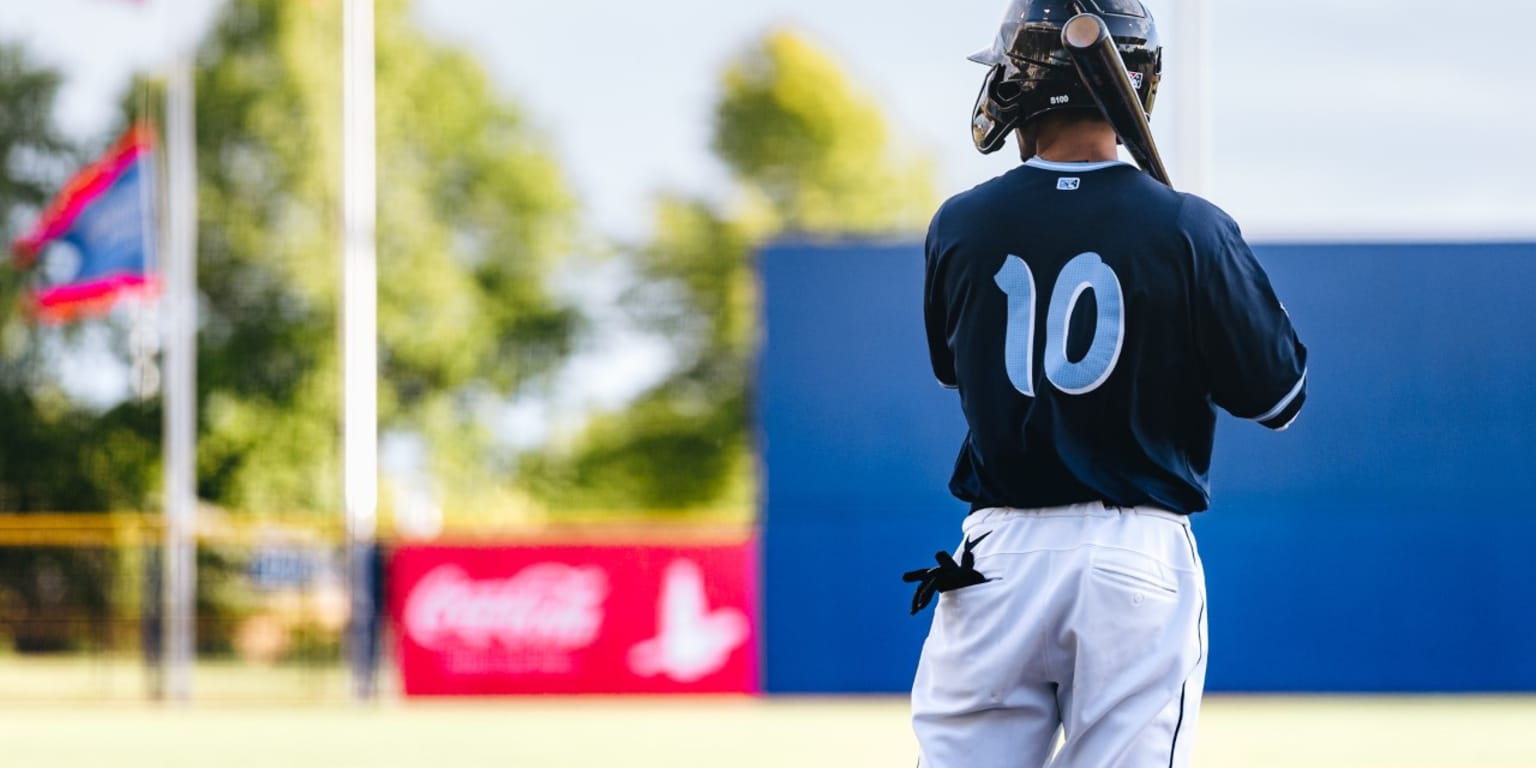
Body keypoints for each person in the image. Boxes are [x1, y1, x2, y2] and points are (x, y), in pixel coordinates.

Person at [903, 1, 1308, 765]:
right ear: (1138, 86)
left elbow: (953, 368)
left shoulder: (961, 224)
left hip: (996, 557)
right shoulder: (1191, 227)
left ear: (1019, 83)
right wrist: (1215, 257)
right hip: (1136, 553)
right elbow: (1278, 395)